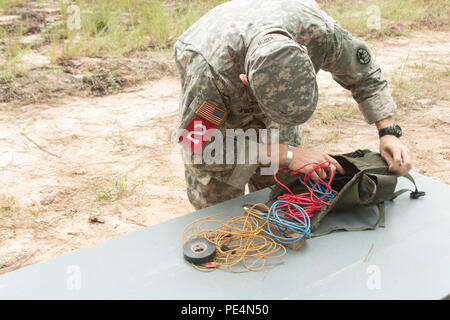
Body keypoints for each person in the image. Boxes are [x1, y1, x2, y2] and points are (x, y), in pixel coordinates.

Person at [174, 0, 411, 210]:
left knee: (280, 195)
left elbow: (364, 74)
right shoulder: (209, 72)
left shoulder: (319, 33)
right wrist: (285, 154)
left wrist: (387, 130)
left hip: (277, 127)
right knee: (222, 216)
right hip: (223, 125)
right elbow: (198, 145)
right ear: (245, 80)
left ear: (307, 53)